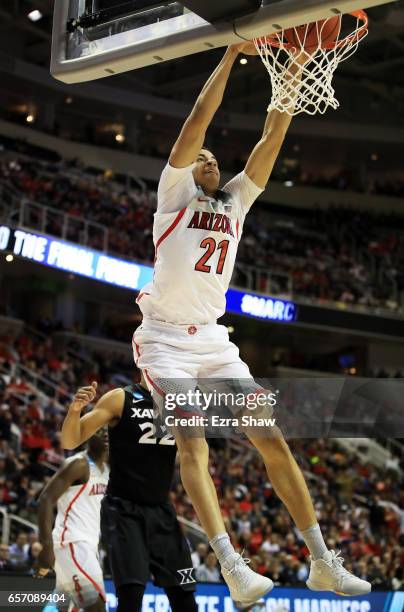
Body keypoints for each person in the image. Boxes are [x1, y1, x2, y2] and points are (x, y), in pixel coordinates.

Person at [132, 40, 371, 604]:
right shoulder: (173, 196)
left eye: (216, 157)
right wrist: (232, 53)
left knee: (273, 440)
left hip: (215, 342)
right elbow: (197, 119)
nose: (210, 159)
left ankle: (320, 560)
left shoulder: (235, 199)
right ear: (188, 169)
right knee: (193, 445)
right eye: (202, 158)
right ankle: (231, 564)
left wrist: (292, 69)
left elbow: (271, 137)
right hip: (165, 342)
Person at [60, 381, 197, 612]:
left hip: (162, 512)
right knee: (131, 596)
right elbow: (70, 440)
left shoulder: (179, 405)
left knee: (185, 596)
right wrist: (75, 410)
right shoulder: (120, 398)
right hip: (123, 510)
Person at [35, 430, 109, 611]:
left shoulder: (106, 470)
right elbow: (45, 499)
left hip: (89, 545)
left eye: (109, 431)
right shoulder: (78, 464)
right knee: (96, 605)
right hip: (71, 543)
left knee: (63, 605)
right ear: (88, 434)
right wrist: (46, 546)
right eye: (100, 431)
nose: (106, 434)